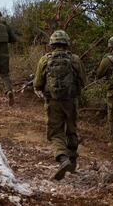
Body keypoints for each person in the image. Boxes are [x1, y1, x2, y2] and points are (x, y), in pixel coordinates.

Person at [33, 30, 86, 180]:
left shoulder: (44, 60)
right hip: (71, 101)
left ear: (52, 44)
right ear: (67, 43)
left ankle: (63, 159)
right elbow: (83, 81)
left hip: (53, 102)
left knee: (56, 132)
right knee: (71, 129)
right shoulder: (74, 59)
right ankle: (73, 161)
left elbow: (37, 83)